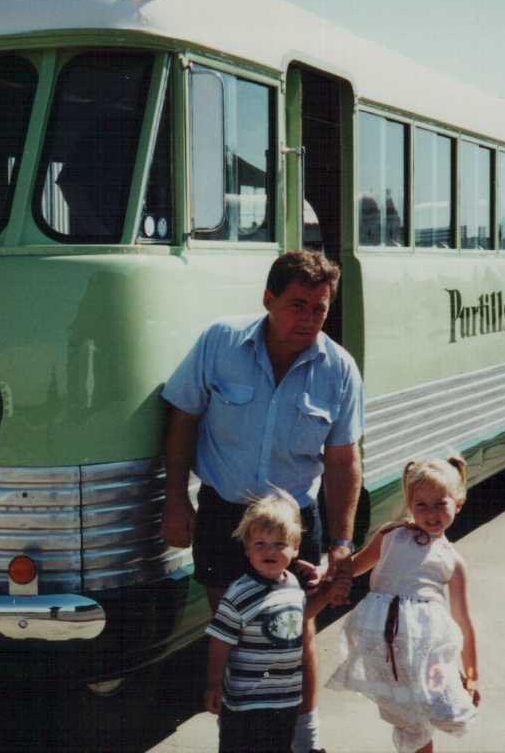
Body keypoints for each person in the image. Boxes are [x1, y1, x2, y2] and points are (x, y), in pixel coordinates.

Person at [161, 250, 364, 753]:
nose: (309, 319)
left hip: (294, 523)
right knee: (232, 629)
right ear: (268, 299)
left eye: (320, 309)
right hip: (226, 517)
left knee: (296, 630)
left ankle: (303, 740)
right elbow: (182, 418)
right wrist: (174, 501)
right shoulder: (219, 343)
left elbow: (342, 461)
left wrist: (341, 542)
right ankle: (240, 737)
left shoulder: (338, 369)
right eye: (298, 305)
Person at [325, 456, 481, 753]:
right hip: (386, 648)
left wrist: (471, 675)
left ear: (458, 503)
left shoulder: (452, 560)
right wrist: (326, 575)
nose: (431, 513)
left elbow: (463, 621)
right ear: (410, 504)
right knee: (406, 718)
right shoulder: (391, 536)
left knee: (443, 706)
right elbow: (353, 567)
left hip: (426, 649)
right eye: (421, 504)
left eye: (440, 504)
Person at [205, 495, 352, 753]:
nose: (269, 551)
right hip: (245, 703)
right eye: (260, 543)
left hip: (284, 699)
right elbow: (220, 641)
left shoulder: (292, 583)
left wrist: (326, 595)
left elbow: (301, 615)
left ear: (295, 548)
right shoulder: (239, 593)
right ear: (247, 549)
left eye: (279, 544)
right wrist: (214, 683)